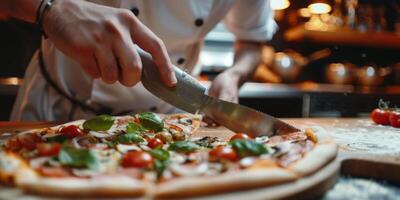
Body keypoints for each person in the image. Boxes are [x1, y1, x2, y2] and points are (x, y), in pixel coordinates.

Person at [1, 0, 276, 121]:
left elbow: (252, 42)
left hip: (169, 120)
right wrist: (52, 10)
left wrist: (234, 75)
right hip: (55, 108)